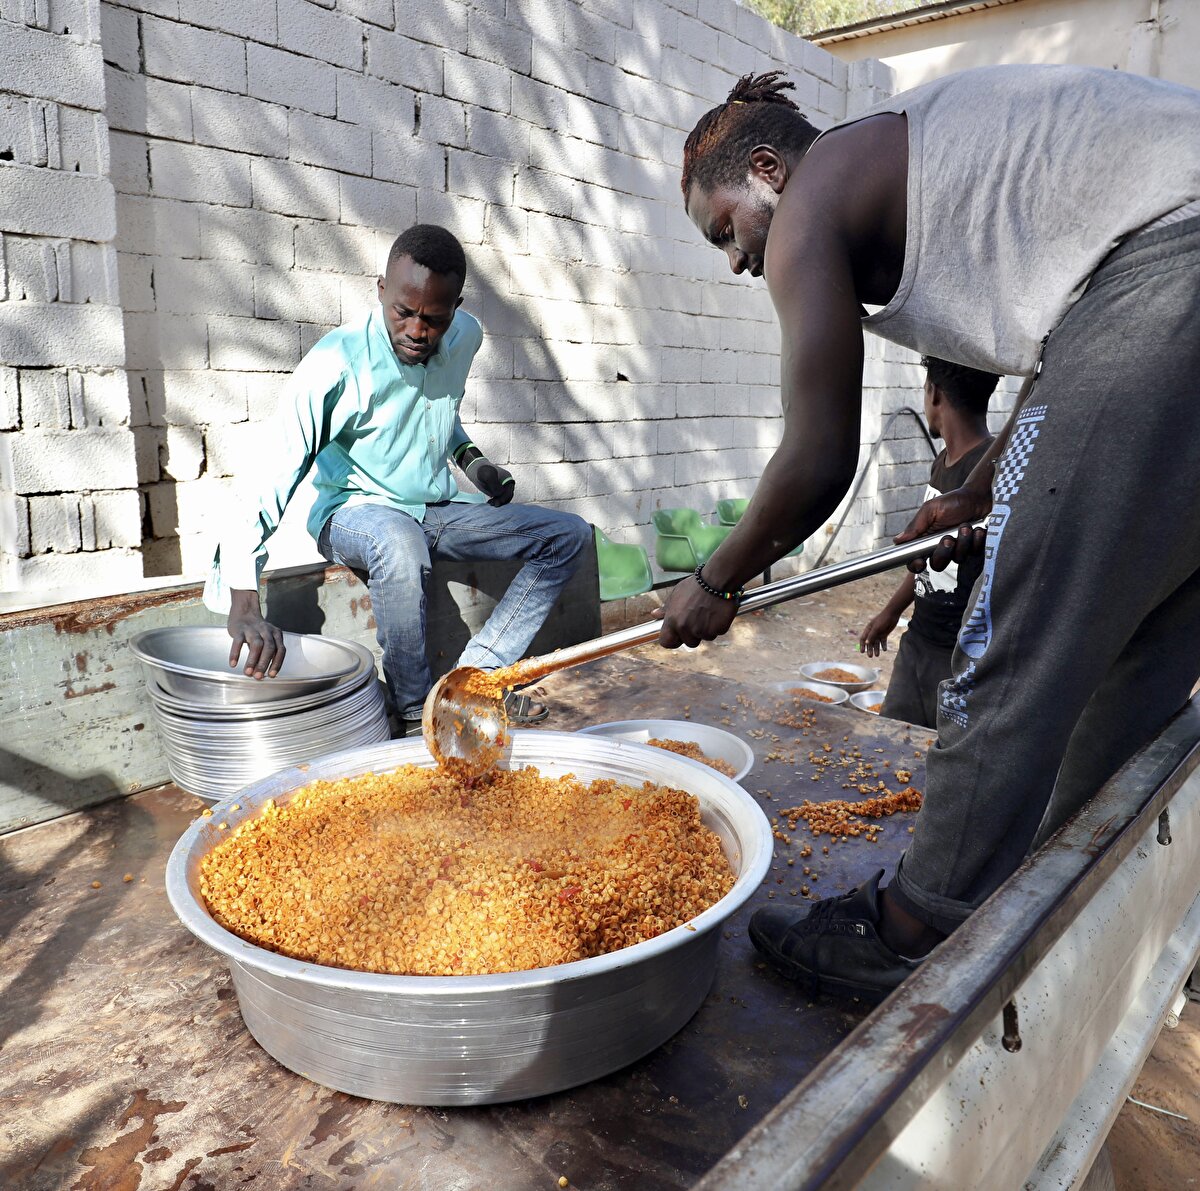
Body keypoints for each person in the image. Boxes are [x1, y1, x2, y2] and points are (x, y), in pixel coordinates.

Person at [663, 65, 1200, 1002]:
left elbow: (819, 456)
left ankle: (915, 925)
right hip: (1156, 282)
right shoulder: (930, 159)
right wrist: (979, 491)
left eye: (726, 230)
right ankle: (1076, 906)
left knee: (1011, 639)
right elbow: (1063, 369)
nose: (740, 261)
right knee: (1141, 656)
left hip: (1169, 266)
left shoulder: (811, 202)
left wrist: (716, 580)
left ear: (766, 171)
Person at [204, 224, 592, 735]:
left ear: (455, 308)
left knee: (568, 536)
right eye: (403, 312)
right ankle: (415, 714)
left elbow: (438, 416)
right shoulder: (335, 363)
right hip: (353, 512)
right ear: (381, 289)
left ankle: (471, 686)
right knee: (399, 542)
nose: (416, 330)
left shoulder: (466, 337)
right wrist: (244, 601)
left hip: (433, 509)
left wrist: (476, 465)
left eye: (433, 318)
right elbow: (271, 474)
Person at [858, 357, 997, 728]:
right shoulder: (942, 463)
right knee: (892, 743)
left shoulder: (991, 469)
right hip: (920, 637)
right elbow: (926, 555)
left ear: (933, 393)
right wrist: (892, 612)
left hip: (959, 653)